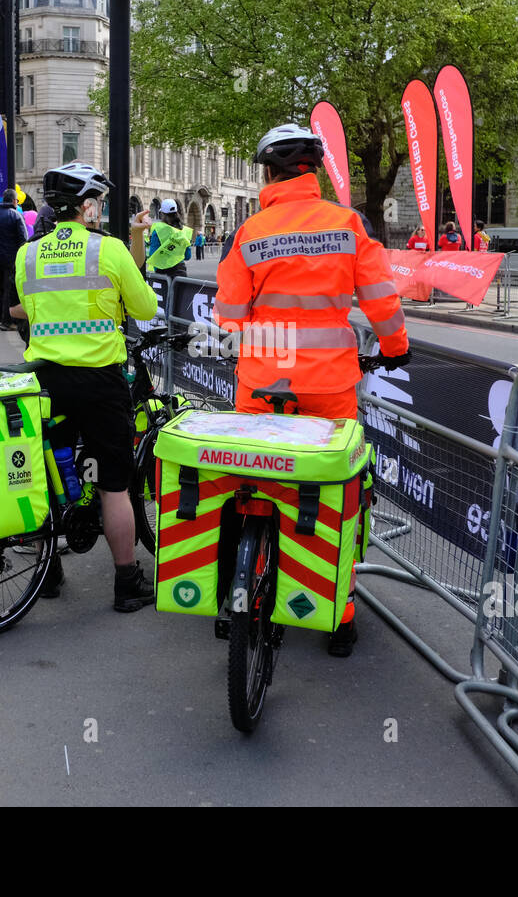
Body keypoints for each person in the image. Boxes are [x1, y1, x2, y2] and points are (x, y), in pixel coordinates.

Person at [214, 123, 411, 658]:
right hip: (330, 389)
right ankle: (339, 616)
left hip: (262, 387)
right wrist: (394, 347)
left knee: (246, 482)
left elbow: (228, 315)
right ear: (316, 172)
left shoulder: (252, 231)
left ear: (269, 173)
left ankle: (229, 597)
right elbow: (381, 299)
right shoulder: (349, 224)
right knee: (337, 496)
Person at [8, 162, 159, 612]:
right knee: (113, 483)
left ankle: (45, 572)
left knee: (44, 476)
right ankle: (127, 582)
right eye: (101, 203)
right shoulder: (108, 251)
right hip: (99, 380)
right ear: (89, 206)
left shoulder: (27, 254)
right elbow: (146, 308)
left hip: (43, 380)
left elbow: (27, 311)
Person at [0, 188, 25, 329]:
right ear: (14, 200)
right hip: (11, 259)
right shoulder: (15, 216)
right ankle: (6, 321)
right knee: (8, 289)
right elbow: (23, 239)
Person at [147, 199, 192, 278]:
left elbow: (152, 254)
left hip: (162, 273)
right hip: (180, 273)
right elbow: (187, 256)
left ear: (162, 214)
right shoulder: (184, 231)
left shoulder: (158, 229)